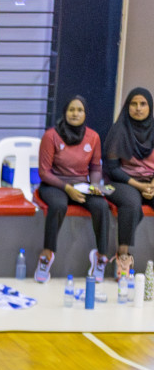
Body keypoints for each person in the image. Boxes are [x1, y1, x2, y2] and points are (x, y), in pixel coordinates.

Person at [34, 96, 114, 283]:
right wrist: (67, 188)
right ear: (65, 112)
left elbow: (95, 167)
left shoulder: (93, 137)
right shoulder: (51, 135)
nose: (75, 113)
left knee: (101, 206)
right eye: (71, 109)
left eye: (79, 110)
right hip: (55, 184)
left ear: (85, 114)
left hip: (81, 185)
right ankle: (47, 255)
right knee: (59, 206)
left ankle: (100, 257)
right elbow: (44, 172)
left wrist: (94, 187)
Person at [103, 87, 154, 276]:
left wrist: (152, 185)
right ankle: (123, 258)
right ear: (127, 106)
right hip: (120, 182)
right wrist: (141, 186)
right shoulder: (119, 131)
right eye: (134, 104)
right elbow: (113, 169)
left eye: (143, 104)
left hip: (149, 182)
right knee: (132, 203)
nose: (138, 108)